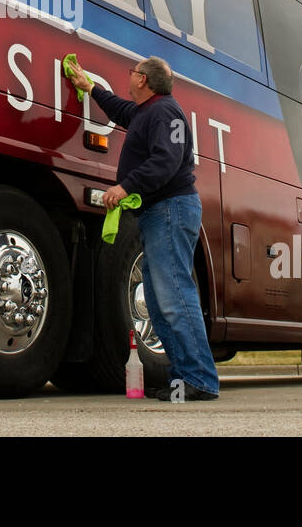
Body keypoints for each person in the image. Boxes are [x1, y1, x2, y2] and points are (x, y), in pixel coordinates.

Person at [66, 54, 220, 401]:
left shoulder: (165, 112)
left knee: (174, 295)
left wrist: (125, 187)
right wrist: (90, 88)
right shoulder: (145, 112)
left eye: (133, 71)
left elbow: (166, 161)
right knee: (157, 297)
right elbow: (120, 109)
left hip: (171, 209)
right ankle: (183, 378)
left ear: (143, 81)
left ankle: (201, 379)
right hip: (158, 213)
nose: (130, 75)